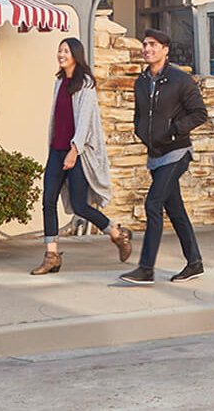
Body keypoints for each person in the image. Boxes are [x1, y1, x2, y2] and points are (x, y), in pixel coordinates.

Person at [30, 37, 133, 275]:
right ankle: (51, 255)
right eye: (59, 50)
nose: (61, 54)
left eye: (65, 51)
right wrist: (60, 150)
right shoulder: (59, 82)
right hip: (57, 150)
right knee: (48, 201)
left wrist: (74, 152)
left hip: (78, 153)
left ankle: (116, 234)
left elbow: (85, 121)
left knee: (80, 206)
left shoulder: (85, 83)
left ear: (76, 54)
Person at [120, 29, 208, 285]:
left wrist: (174, 130)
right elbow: (139, 117)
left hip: (177, 151)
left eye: (153, 44)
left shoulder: (180, 80)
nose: (147, 48)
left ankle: (146, 268)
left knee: (153, 204)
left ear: (165, 49)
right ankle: (195, 263)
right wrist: (142, 134)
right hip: (155, 154)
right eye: (145, 44)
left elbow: (199, 113)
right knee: (175, 209)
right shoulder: (141, 81)